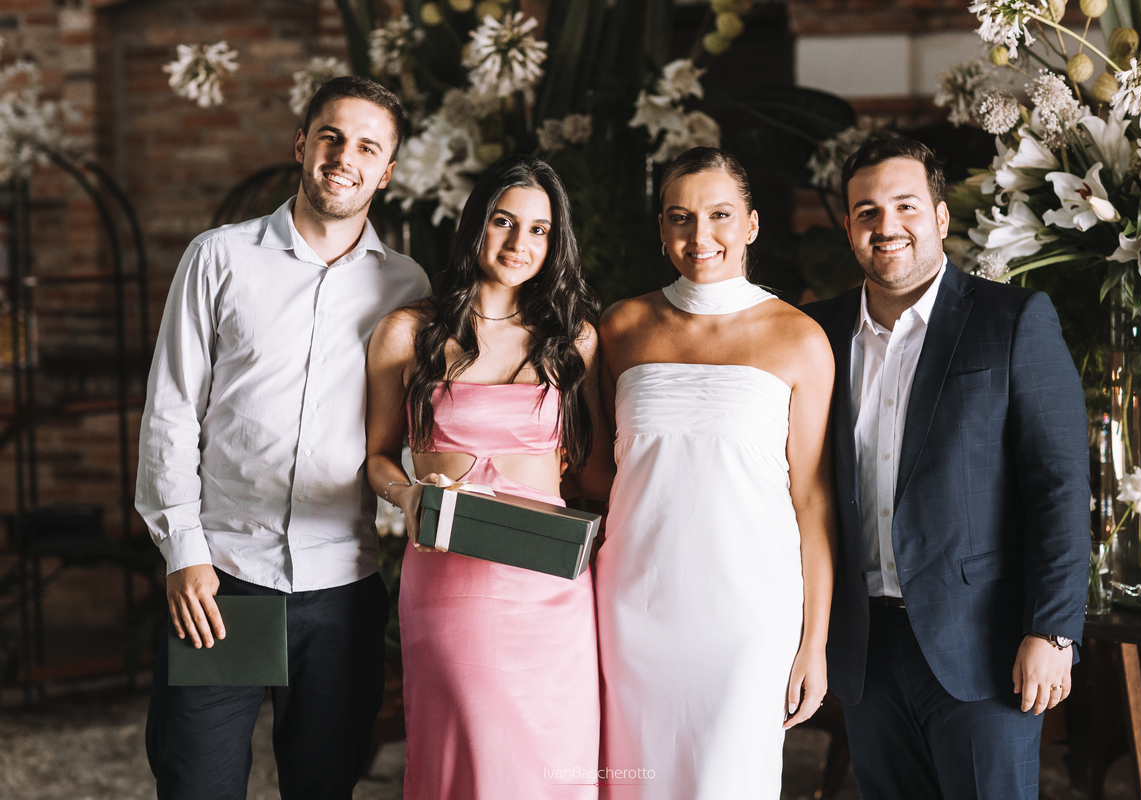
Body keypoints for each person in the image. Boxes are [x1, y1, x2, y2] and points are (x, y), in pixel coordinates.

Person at [135, 76, 430, 800]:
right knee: (197, 782)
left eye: (367, 147)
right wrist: (183, 552)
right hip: (223, 582)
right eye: (331, 136)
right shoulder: (219, 257)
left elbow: (413, 429)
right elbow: (171, 411)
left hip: (342, 590)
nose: (345, 157)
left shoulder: (408, 288)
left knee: (323, 786)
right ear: (302, 144)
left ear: (387, 172)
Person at [802, 136, 1090, 799]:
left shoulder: (1013, 320)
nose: (886, 225)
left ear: (939, 216)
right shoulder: (816, 333)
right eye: (867, 211)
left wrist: (1052, 631)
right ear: (848, 227)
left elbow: (1059, 488)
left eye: (905, 205)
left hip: (984, 646)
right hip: (865, 649)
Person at [365, 154, 610, 800]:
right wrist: (406, 494)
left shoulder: (574, 340)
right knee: (475, 756)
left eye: (539, 230)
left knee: (554, 759)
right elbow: (377, 458)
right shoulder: (408, 333)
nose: (519, 243)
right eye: (503, 221)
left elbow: (594, 472)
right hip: (452, 580)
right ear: (475, 224)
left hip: (552, 586)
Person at [595, 147, 837, 799]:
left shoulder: (800, 338)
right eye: (680, 217)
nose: (700, 235)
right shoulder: (620, 327)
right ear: (662, 228)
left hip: (749, 615)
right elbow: (595, 474)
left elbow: (812, 502)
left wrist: (814, 643)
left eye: (720, 215)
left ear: (752, 225)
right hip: (632, 604)